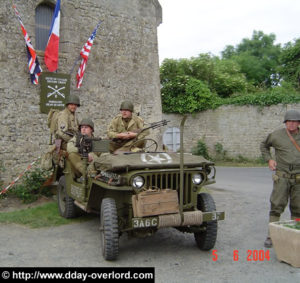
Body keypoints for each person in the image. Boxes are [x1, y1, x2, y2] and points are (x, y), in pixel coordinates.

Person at [260, 109, 300, 248]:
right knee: (276, 206)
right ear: (285, 122)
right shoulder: (277, 135)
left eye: (294, 122)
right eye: (289, 121)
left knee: (298, 208)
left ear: (298, 123)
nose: (291, 124)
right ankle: (271, 235)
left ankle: (295, 234)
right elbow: (264, 146)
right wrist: (269, 160)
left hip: (298, 178)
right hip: (282, 177)